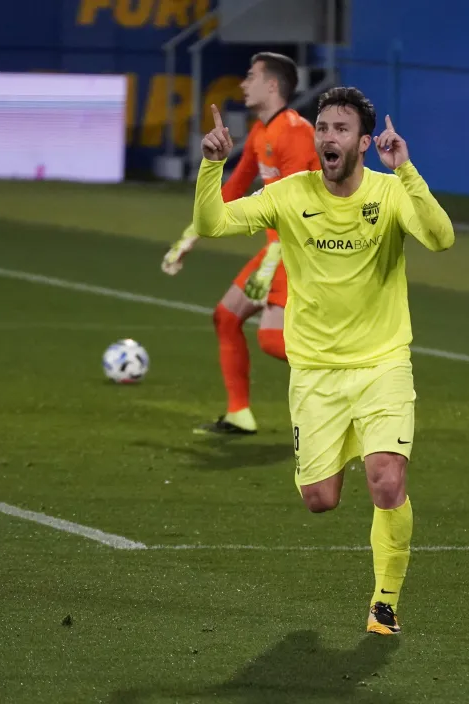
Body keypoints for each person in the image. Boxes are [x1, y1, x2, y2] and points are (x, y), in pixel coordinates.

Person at [192, 88, 455, 634]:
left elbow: (441, 238)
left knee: (386, 480)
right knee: (320, 499)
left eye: (340, 129)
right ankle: (338, 461)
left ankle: (384, 603)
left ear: (364, 142)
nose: (328, 137)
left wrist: (407, 172)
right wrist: (212, 165)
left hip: (382, 363)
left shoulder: (390, 191)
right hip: (315, 371)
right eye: (323, 127)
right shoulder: (290, 194)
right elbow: (214, 223)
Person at [161, 52, 320, 436]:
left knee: (271, 339)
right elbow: (231, 191)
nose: (243, 84)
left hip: (304, 250)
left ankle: (347, 375)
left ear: (272, 85)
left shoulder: (295, 133)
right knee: (226, 316)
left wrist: (272, 262)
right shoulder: (261, 133)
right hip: (279, 248)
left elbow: (299, 204)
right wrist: (191, 235)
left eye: (251, 76)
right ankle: (239, 414)